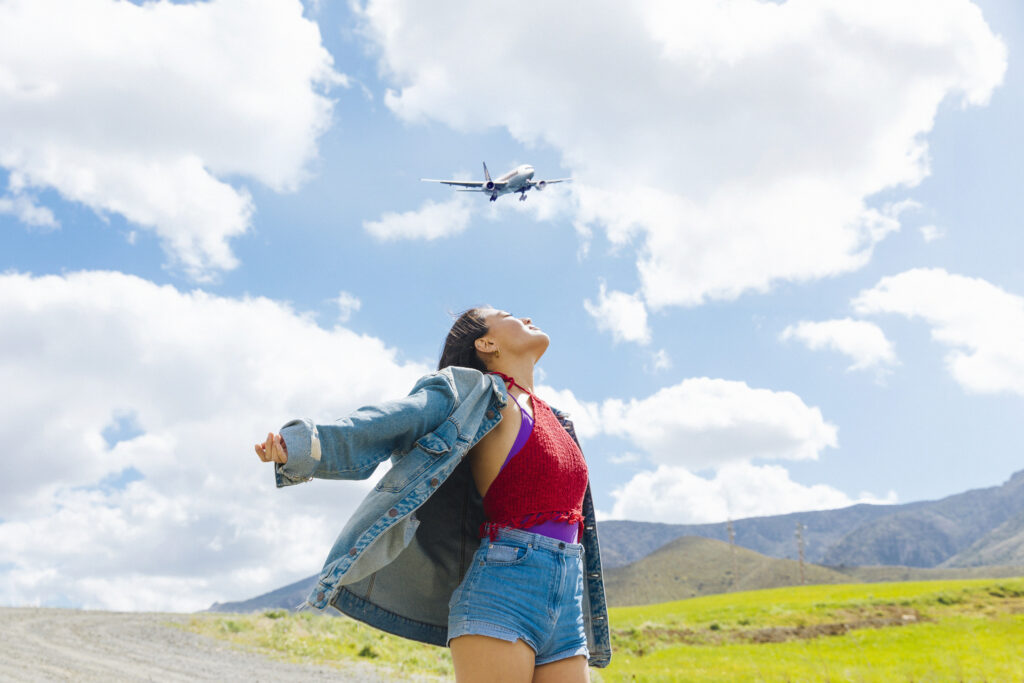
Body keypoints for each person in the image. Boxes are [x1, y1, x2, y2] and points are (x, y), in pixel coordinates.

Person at [255, 307, 611, 681]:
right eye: (507, 315)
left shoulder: (559, 421)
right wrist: (301, 447)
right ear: (486, 343)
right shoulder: (475, 393)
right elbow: (393, 420)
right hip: (505, 591)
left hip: (566, 600)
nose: (525, 317)